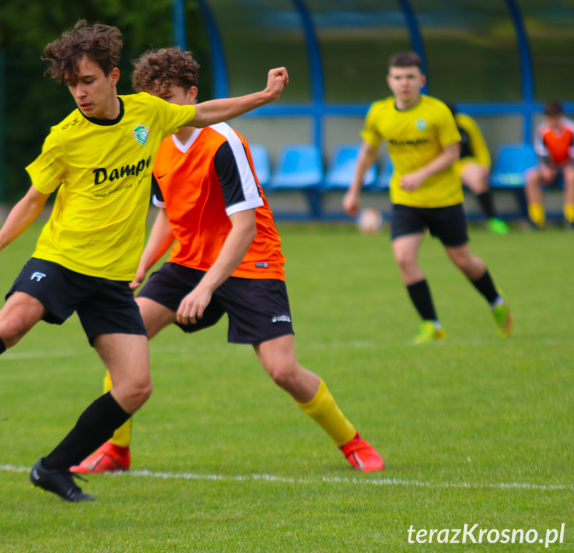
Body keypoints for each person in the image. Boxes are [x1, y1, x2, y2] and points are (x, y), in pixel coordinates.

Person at [0, 21, 288, 502]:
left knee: (135, 387)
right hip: (63, 258)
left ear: (113, 77)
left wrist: (262, 96)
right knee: (16, 318)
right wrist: (0, 242)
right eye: (71, 85)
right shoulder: (64, 137)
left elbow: (206, 112)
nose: (79, 93)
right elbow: (33, 198)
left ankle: (52, 467)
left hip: (110, 279)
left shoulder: (148, 113)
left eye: (87, 81)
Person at [69, 47, 384, 476]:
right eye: (154, 101)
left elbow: (244, 229)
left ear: (193, 95)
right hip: (189, 261)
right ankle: (115, 451)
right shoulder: (153, 141)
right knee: (126, 339)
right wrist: (141, 267)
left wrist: (205, 288)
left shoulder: (223, 142)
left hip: (250, 260)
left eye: (172, 99)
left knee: (283, 370)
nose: (163, 110)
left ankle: (353, 443)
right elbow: (166, 212)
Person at [342, 51, 512, 345]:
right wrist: (353, 190)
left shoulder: (438, 112)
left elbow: (453, 153)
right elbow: (368, 153)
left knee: (462, 261)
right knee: (403, 258)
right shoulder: (379, 113)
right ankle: (431, 325)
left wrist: (420, 175)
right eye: (398, 78)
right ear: (389, 81)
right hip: (407, 200)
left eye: (410, 77)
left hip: (445, 198)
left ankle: (496, 301)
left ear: (421, 80)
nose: (404, 83)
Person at [445, 102, 509, 234]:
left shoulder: (466, 123)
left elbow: (479, 145)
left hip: (465, 162)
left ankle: (493, 219)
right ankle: (434, 224)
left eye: (454, 119)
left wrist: (484, 164)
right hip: (443, 166)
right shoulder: (434, 127)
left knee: (477, 178)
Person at [525, 101, 574, 228]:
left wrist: (568, 167)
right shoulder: (542, 129)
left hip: (568, 166)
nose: (551, 120)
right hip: (551, 167)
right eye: (548, 116)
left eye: (554, 116)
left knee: (572, 176)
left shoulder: (571, 129)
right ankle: (537, 219)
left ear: (561, 115)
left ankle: (570, 218)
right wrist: (546, 168)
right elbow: (541, 152)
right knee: (531, 176)